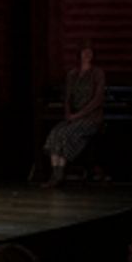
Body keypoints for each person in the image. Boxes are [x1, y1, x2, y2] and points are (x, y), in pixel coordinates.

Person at [42, 42, 106, 187]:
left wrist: (78, 116)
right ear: (79, 54)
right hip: (75, 117)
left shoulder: (97, 73)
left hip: (91, 118)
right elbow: (68, 97)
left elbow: (97, 100)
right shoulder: (73, 74)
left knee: (66, 134)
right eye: (84, 51)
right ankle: (56, 174)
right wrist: (68, 113)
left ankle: (60, 174)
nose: (87, 54)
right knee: (55, 133)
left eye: (90, 51)